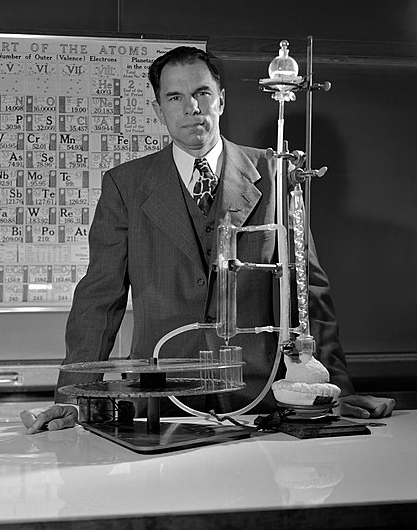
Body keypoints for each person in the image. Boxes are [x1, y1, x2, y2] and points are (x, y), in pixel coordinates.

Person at [22, 47, 395, 433]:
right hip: (163, 402)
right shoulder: (126, 186)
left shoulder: (274, 172)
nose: (191, 108)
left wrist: (333, 389)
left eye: (201, 93)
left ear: (221, 99)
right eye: (175, 97)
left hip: (262, 401)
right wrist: (71, 399)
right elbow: (99, 298)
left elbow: (307, 290)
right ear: (158, 109)